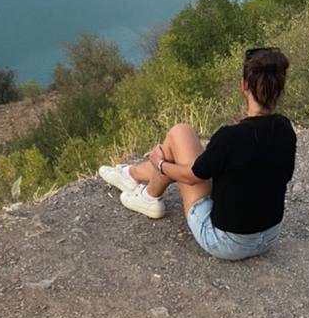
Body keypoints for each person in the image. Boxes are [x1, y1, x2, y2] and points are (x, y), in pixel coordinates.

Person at [98, 47, 296, 261]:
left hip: (228, 242)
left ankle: (148, 195)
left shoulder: (230, 137)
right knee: (191, 147)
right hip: (269, 236)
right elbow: (282, 175)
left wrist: (160, 164)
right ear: (279, 87)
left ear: (244, 86)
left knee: (178, 133)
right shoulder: (285, 128)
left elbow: (192, 176)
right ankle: (133, 175)